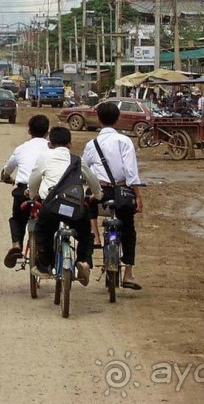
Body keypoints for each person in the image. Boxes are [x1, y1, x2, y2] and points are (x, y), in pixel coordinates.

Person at [82, 102, 144, 289]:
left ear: (98, 119)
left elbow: (84, 168)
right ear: (118, 119)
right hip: (122, 191)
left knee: (87, 200)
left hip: (100, 192)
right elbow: (131, 172)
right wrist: (138, 195)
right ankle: (128, 273)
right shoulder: (124, 141)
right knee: (129, 229)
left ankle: (96, 236)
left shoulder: (92, 144)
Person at [29, 127, 102, 285]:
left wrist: (32, 194)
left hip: (51, 207)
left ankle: (45, 265)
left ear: (50, 144)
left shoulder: (44, 157)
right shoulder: (77, 160)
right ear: (69, 144)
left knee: (43, 231)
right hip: (74, 208)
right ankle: (83, 261)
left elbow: (34, 179)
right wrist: (98, 195)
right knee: (85, 234)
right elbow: (92, 180)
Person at [0, 115, 50, 267]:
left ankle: (16, 245)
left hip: (24, 191)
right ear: (47, 132)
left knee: (17, 219)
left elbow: (7, 169)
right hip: (46, 192)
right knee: (50, 220)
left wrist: (7, 177)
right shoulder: (52, 148)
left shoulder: (21, 148)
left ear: (29, 131)